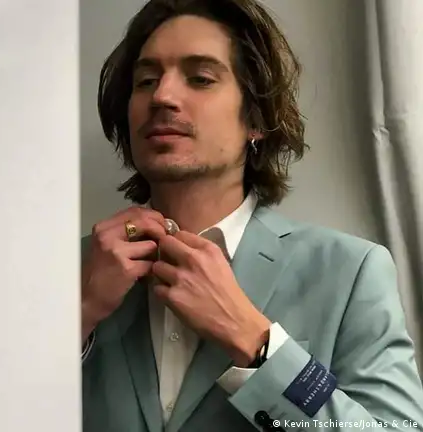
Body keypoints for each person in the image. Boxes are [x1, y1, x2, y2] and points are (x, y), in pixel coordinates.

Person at [80, 0, 423, 431]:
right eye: (146, 81)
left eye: (200, 78)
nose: (162, 96)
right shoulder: (68, 272)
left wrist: (256, 342)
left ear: (256, 118)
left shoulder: (349, 273)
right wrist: (77, 316)